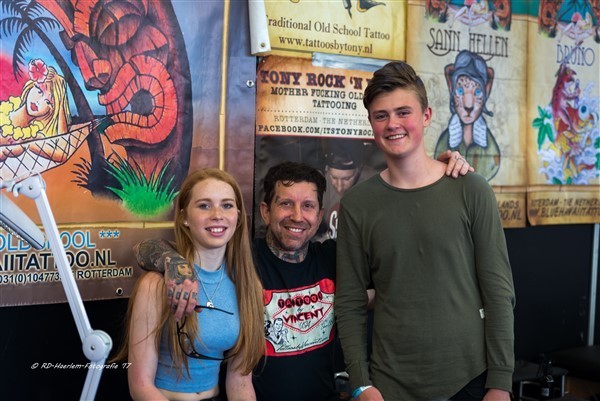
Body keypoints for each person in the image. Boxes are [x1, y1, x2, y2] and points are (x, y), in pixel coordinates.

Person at [134, 155, 471, 401]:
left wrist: (434, 172)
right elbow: (147, 248)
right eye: (286, 204)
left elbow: (398, 274)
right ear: (265, 212)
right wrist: (173, 262)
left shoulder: (335, 258)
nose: (297, 216)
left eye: (308, 206)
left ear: (320, 215)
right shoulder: (243, 261)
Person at [335, 61, 515, 401]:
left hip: (470, 381)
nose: (393, 124)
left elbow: (498, 292)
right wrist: (360, 383)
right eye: (381, 115)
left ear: (427, 116)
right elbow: (349, 301)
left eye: (403, 112)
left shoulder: (470, 188)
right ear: (371, 123)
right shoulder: (357, 205)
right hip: (389, 385)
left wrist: (500, 382)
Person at [113, 168, 264, 401]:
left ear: (238, 215)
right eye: (204, 205)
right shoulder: (155, 285)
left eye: (227, 205)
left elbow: (241, 382)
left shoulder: (248, 286)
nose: (217, 215)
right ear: (184, 217)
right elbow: (140, 386)